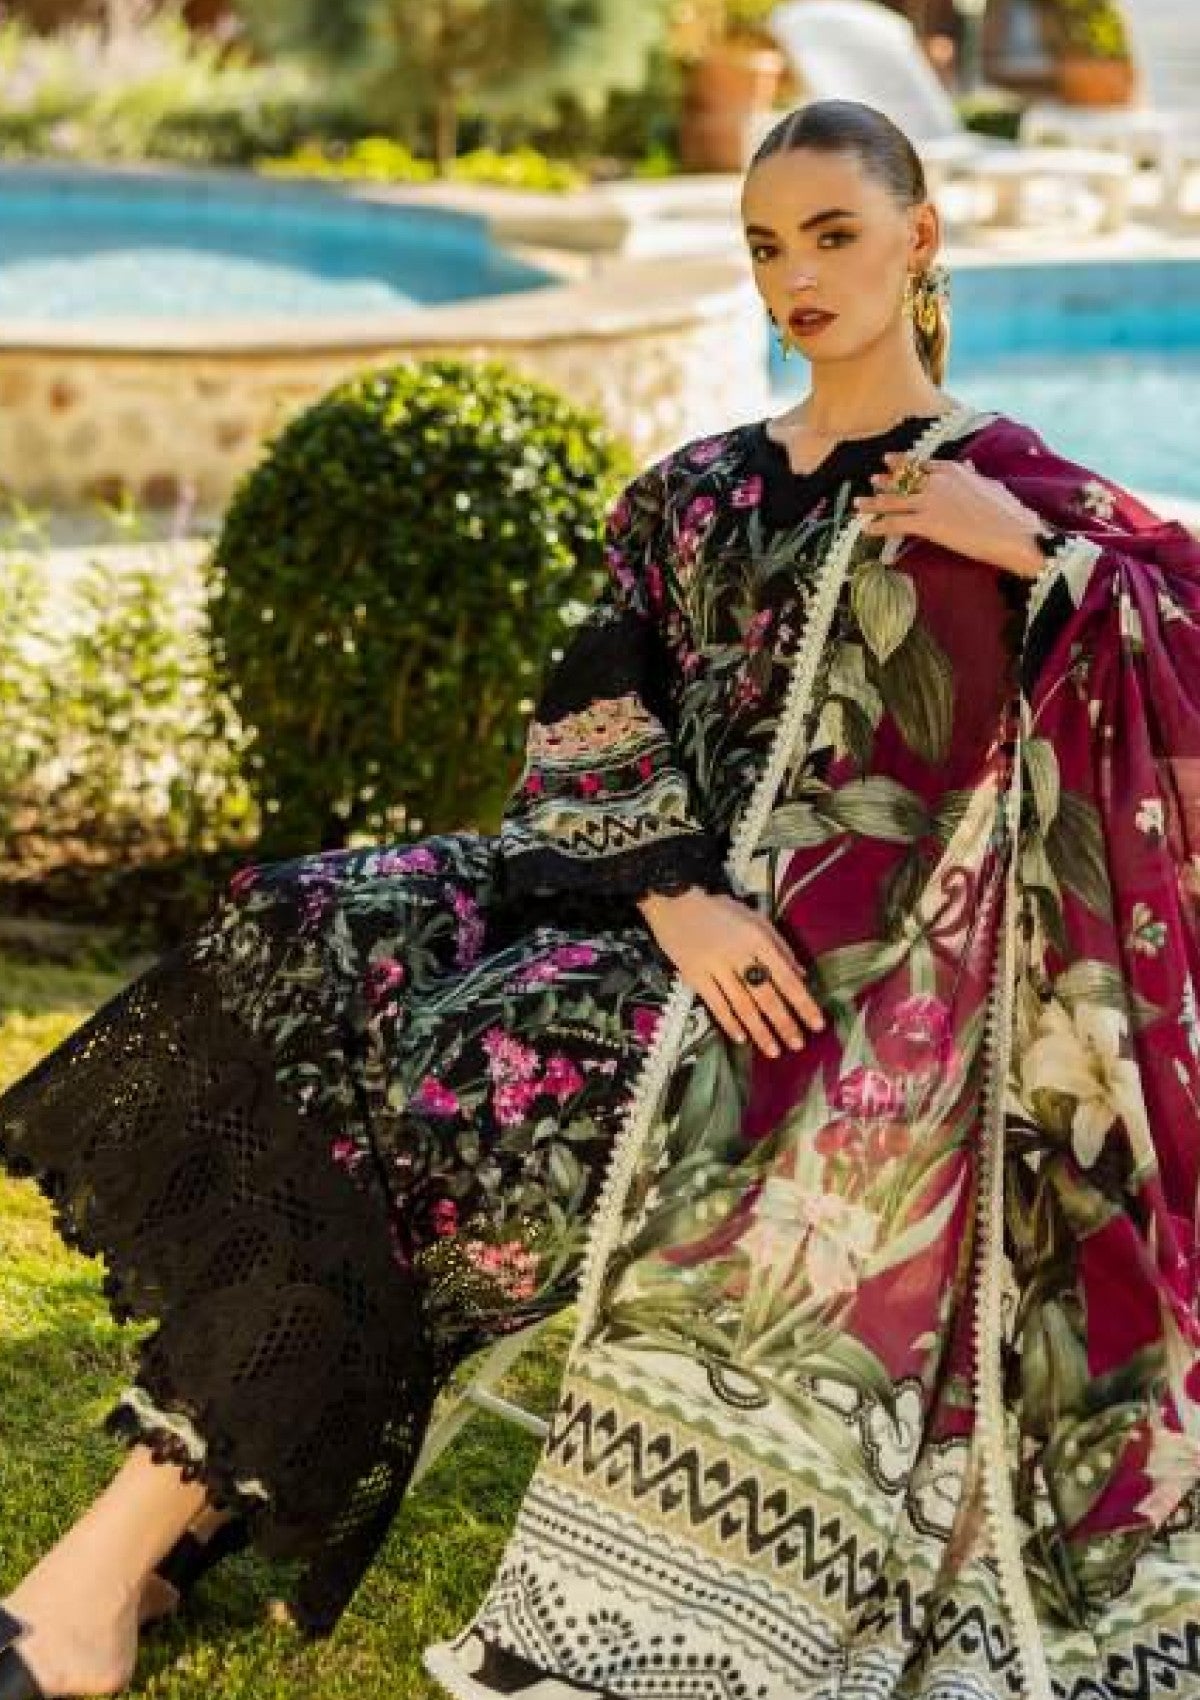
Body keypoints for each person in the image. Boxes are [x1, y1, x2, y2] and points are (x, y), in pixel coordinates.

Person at [0, 94, 1197, 1700]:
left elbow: (1183, 655)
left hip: (834, 980)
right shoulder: (691, 490)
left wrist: (1039, 564)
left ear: (919, 239)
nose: (797, 278)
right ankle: (168, 1530)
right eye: (766, 247)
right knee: (306, 937)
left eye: (833, 236)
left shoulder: (1013, 485)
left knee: (462, 1095)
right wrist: (672, 895)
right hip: (635, 908)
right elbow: (594, 708)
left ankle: (101, 1584)